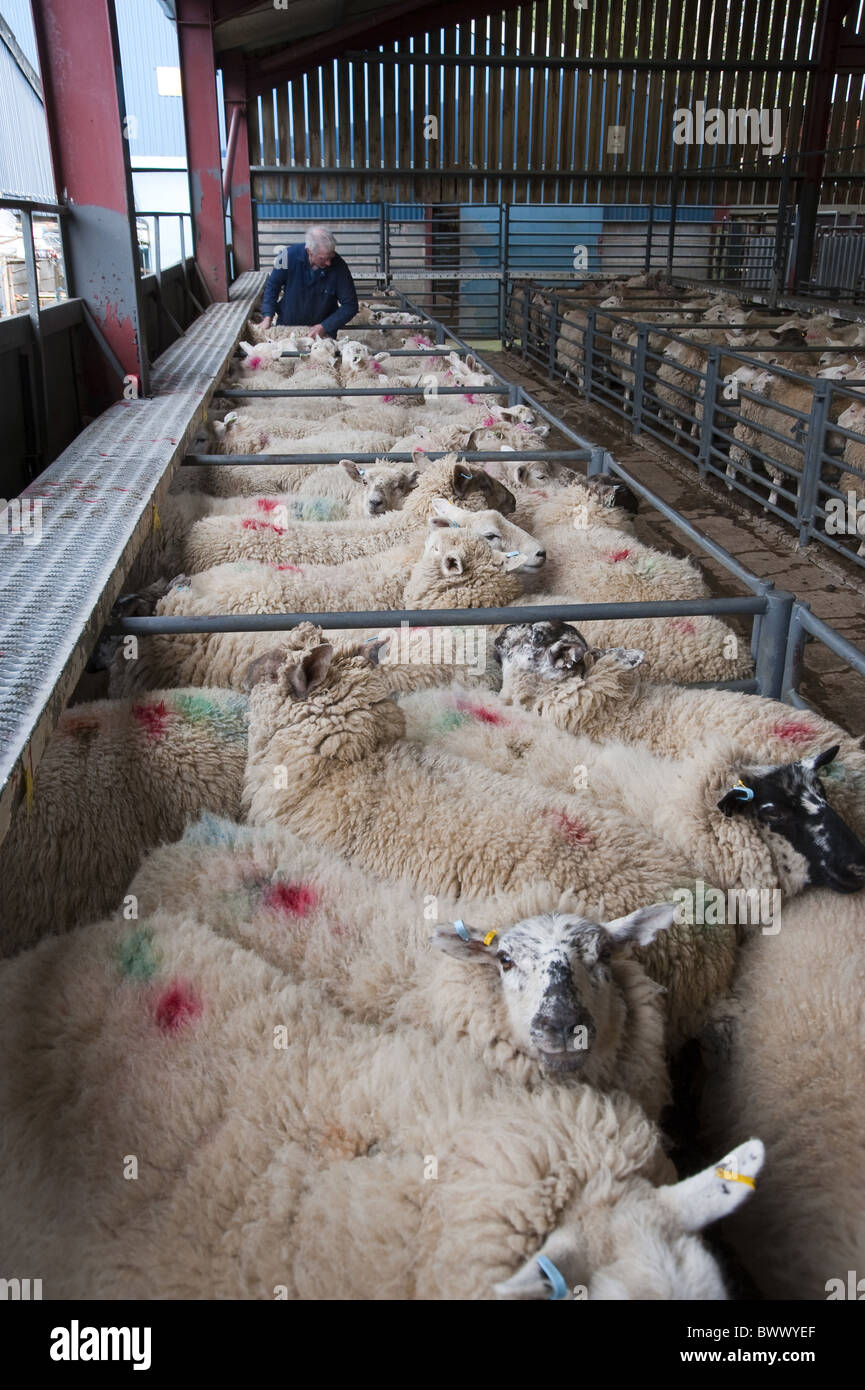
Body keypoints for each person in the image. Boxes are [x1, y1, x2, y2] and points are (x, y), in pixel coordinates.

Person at [259, 225, 358, 337]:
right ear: (309, 251)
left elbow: (350, 305)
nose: (329, 263)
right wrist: (267, 316)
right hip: (287, 330)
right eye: (323, 258)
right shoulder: (286, 256)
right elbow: (273, 286)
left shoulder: (339, 266)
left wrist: (325, 326)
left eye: (331, 256)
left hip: (321, 335)